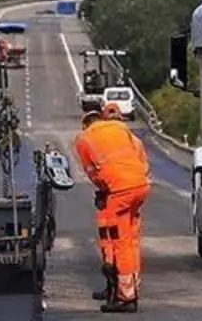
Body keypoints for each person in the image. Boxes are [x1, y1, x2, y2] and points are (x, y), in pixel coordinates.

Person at [74, 107, 151, 313]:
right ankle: (128, 288)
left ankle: (125, 297)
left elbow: (92, 172)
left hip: (119, 192)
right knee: (131, 240)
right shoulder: (120, 128)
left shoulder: (83, 139)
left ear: (85, 124)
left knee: (119, 242)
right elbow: (140, 157)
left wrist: (103, 189)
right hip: (140, 187)